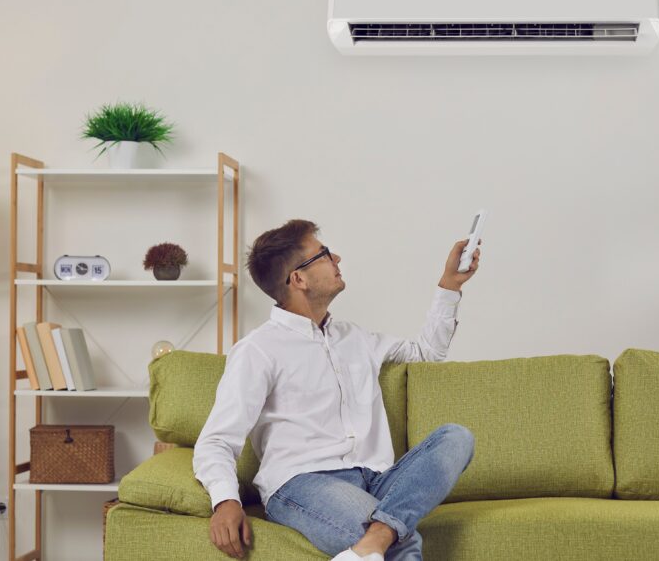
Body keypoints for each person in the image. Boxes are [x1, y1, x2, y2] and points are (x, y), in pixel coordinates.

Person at [193, 219, 481, 561]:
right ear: (298, 279)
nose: (337, 258)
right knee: (403, 542)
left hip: (377, 478)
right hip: (303, 483)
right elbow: (216, 440)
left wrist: (450, 284)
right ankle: (381, 539)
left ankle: (372, 542)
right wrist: (225, 501)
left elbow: (425, 352)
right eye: (324, 254)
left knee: (456, 437)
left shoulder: (355, 337)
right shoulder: (258, 350)